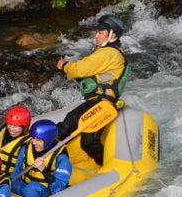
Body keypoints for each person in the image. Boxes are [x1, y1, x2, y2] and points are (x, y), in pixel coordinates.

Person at [54, 14, 129, 166]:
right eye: (97, 32)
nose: (96, 36)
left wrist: (65, 66)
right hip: (95, 102)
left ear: (112, 35)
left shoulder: (110, 53)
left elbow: (81, 69)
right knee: (68, 123)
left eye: (101, 33)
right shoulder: (103, 52)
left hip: (103, 104)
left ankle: (107, 165)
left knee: (87, 140)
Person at [14, 119, 73, 197]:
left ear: (48, 140)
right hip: (25, 185)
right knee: (12, 183)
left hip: (46, 190)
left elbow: (59, 189)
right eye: (33, 138)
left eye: (38, 140)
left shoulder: (61, 157)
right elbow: (16, 172)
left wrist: (44, 170)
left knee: (32, 188)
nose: (34, 142)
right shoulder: (27, 147)